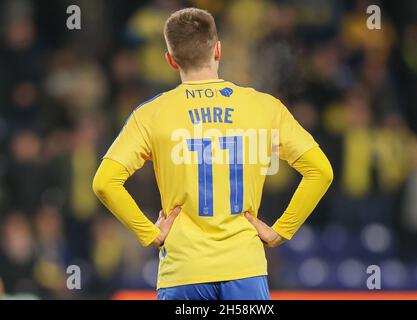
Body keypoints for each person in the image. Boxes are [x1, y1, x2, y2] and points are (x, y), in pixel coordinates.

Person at [92, 7, 333, 300]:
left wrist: (149, 232)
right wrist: (281, 230)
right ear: (218, 50)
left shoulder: (151, 114)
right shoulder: (264, 108)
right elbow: (321, 171)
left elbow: (104, 182)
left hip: (183, 271)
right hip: (245, 269)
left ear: (170, 60)